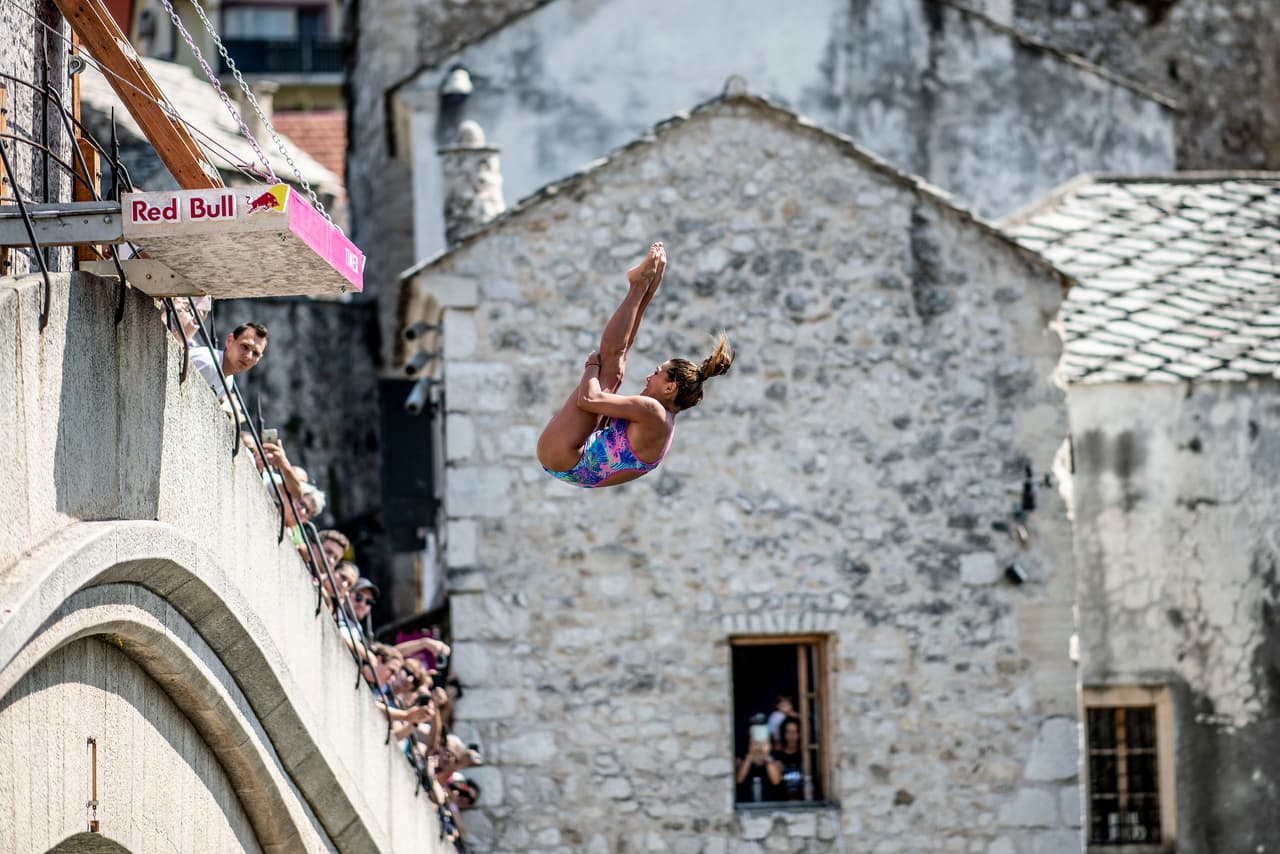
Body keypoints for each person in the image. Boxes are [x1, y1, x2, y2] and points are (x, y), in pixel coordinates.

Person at [536, 242, 733, 488]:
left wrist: (591, 364)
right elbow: (623, 349)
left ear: (670, 388)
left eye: (657, 373)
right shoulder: (661, 421)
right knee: (616, 365)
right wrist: (648, 293)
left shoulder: (652, 410)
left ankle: (639, 286)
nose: (649, 377)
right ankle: (644, 287)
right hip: (570, 462)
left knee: (609, 366)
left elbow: (588, 400)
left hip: (561, 454)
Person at [189, 322, 268, 402]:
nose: (248, 356)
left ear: (259, 359)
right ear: (230, 341)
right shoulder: (206, 362)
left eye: (255, 353)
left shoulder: (229, 381)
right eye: (245, 346)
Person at [736, 715, 782, 803]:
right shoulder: (742, 756)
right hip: (746, 805)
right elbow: (739, 779)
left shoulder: (774, 757)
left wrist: (766, 755)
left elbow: (776, 780)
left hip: (769, 804)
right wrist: (750, 755)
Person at [775, 717, 805, 801]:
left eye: (795, 732)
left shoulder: (807, 755)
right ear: (783, 733)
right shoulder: (777, 756)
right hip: (782, 804)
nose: (791, 735)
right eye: (788, 731)